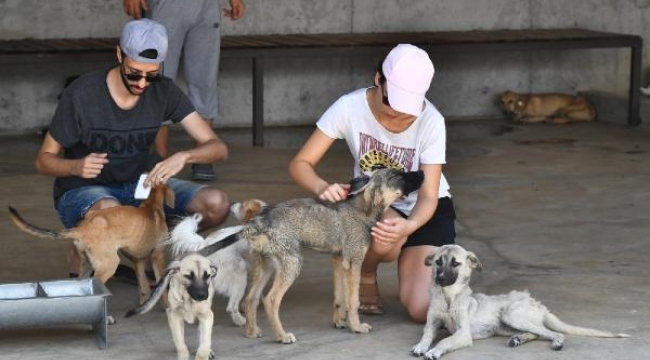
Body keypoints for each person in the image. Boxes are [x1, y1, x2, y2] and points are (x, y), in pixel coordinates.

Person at [36, 19, 230, 277]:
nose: (141, 83)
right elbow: (43, 160)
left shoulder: (164, 91)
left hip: (141, 185)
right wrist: (74, 165)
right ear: (119, 54)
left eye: (151, 75)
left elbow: (218, 148)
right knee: (109, 210)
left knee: (216, 203)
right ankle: (90, 245)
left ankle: (149, 247)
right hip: (86, 189)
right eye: (134, 73)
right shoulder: (83, 94)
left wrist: (185, 156)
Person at [288, 44, 456, 323]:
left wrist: (411, 225)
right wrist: (321, 187)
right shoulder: (349, 107)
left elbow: (429, 195)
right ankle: (365, 273)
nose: (398, 116)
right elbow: (300, 164)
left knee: (422, 311)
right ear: (379, 79)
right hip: (376, 204)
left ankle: (408, 257)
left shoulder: (432, 121)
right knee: (386, 231)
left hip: (426, 211)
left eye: (408, 109)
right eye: (392, 104)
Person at [123, 0, 246, 181]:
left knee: (205, 79)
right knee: (158, 77)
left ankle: (204, 156)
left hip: (206, 6)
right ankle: (159, 157)